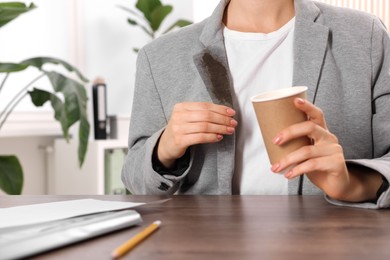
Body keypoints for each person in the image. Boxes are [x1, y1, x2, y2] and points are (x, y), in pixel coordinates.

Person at [121, 0, 390, 209]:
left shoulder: (366, 38)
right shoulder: (159, 57)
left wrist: (351, 183)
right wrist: (164, 148)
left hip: (335, 242)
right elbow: (135, 180)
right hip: (206, 245)